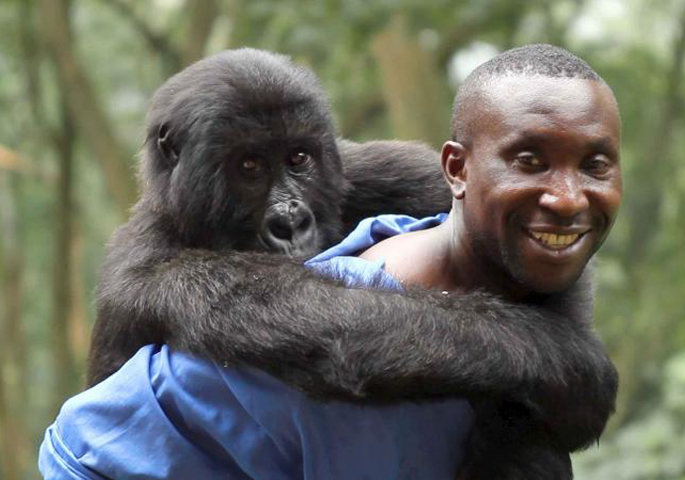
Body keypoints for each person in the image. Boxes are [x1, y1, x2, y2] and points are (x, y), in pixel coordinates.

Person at [39, 44, 621, 479]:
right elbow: (336, 344)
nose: (288, 212)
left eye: (298, 160)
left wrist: (542, 390)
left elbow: (534, 236)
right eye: (248, 171)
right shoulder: (154, 270)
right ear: (173, 157)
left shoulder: (373, 177)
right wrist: (554, 353)